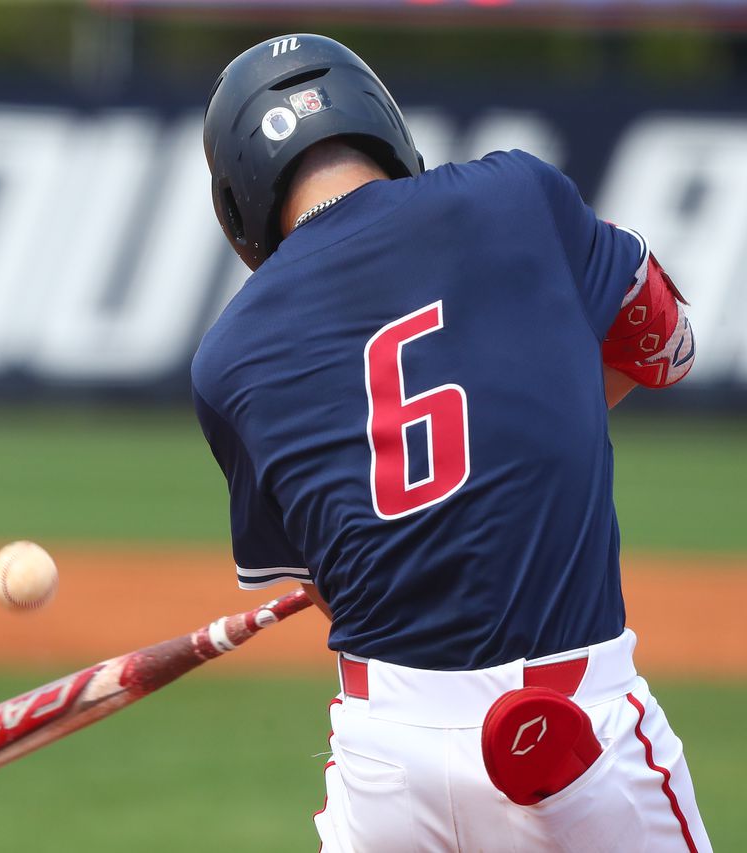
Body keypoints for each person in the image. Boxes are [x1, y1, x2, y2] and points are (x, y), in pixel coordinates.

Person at [195, 34, 707, 851]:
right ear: (385, 127)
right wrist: (536, 413)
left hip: (384, 767)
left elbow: (328, 584)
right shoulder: (517, 194)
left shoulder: (226, 360)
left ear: (237, 203)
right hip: (572, 733)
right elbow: (666, 343)